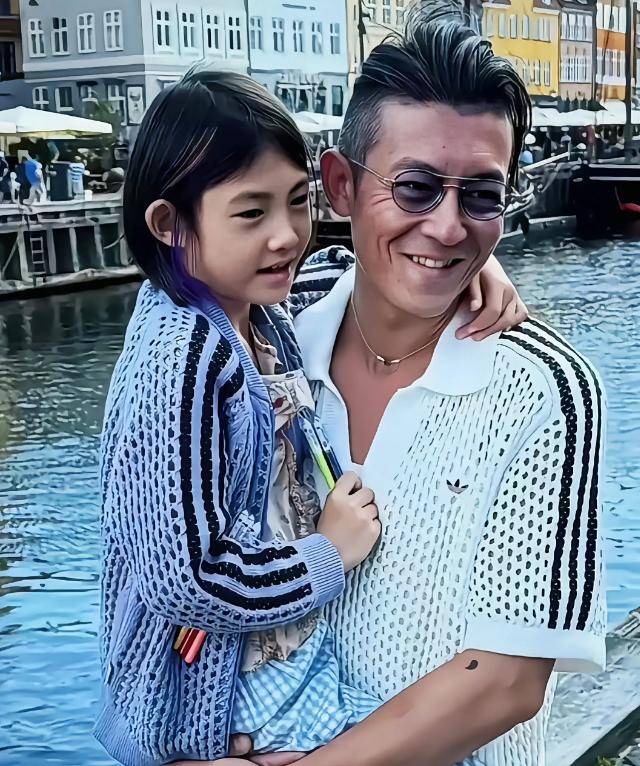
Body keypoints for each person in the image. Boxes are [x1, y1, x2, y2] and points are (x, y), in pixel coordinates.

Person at [203, 5, 606, 766]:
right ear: (340, 186)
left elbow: (506, 680)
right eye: (416, 187)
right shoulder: (261, 345)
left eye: (481, 195)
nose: (449, 227)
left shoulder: (545, 389)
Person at [95, 67, 522, 766]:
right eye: (251, 213)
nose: (287, 236)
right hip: (228, 688)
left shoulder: (253, 307)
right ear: (170, 225)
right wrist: (327, 554)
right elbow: (186, 579)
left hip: (263, 655)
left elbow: (350, 274)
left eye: (297, 202)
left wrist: (470, 264)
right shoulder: (183, 360)